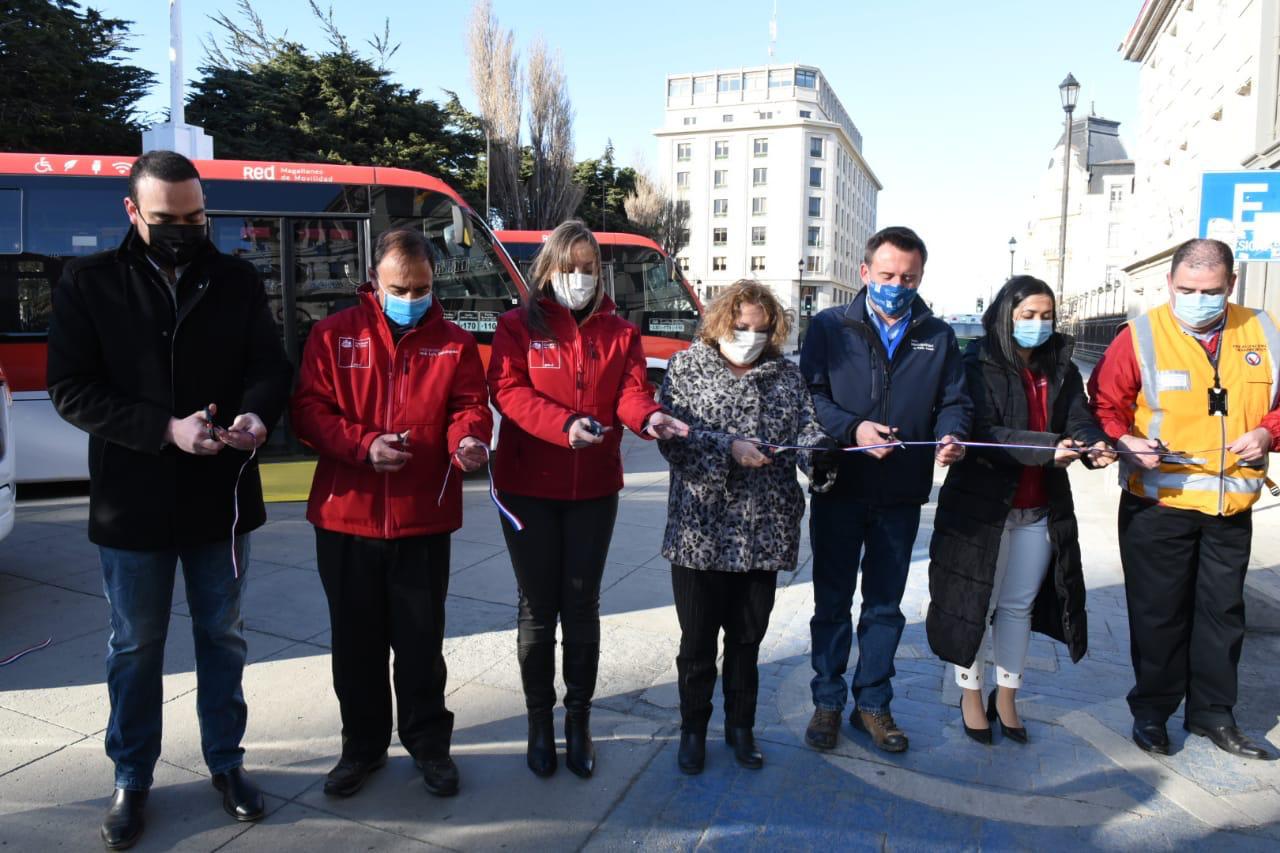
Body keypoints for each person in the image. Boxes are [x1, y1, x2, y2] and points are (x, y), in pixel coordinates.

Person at [46, 150, 293, 849]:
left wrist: (255, 417)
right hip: (133, 504)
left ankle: (227, 763)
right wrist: (164, 429)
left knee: (224, 637)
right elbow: (72, 388)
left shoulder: (236, 278)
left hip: (222, 500)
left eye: (196, 216)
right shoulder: (89, 282)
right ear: (132, 212)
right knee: (134, 645)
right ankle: (132, 776)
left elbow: (269, 367)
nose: (186, 230)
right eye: (167, 220)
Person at [291, 228, 492, 799]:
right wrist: (363, 445)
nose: (411, 296)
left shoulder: (453, 344)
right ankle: (363, 747)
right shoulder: (334, 335)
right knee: (356, 645)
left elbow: (469, 408)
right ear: (374, 281)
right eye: (400, 287)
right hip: (345, 519)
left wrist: (470, 441)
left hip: (422, 520)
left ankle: (429, 745)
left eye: (422, 287)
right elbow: (308, 412)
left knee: (421, 644)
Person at [487, 220, 689, 779]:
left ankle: (577, 720)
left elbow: (630, 393)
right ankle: (537, 721)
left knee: (581, 607)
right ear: (548, 269)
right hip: (527, 488)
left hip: (593, 490)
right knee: (537, 608)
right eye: (569, 268)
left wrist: (650, 417)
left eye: (589, 270)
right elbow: (507, 391)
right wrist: (565, 424)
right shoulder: (516, 326)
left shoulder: (619, 334)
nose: (579, 279)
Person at [1089, 238, 1280, 760]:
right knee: (1159, 617)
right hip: (1159, 507)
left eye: (1211, 291)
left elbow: (1278, 406)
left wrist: (1267, 433)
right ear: (1170, 284)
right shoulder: (1141, 336)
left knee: (1223, 615)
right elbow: (1105, 405)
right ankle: (1152, 714)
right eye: (1188, 289)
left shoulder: (1262, 329)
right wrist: (1124, 441)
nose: (1199, 299)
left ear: (1231, 286)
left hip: (1230, 507)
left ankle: (1215, 716)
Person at [800, 225, 972, 754]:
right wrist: (853, 430)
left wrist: (953, 435)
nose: (897, 285)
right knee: (831, 603)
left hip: (901, 492)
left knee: (884, 606)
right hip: (840, 486)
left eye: (909, 277)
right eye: (888, 274)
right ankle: (827, 702)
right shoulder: (830, 326)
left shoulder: (938, 334)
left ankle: (872, 703)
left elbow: (955, 401)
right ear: (865, 272)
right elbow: (811, 395)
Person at [657, 280, 837, 774]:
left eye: (760, 329)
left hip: (764, 531)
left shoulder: (786, 376)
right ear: (720, 322)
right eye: (740, 326)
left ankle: (741, 728)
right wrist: (728, 448)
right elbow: (672, 438)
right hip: (701, 531)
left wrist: (819, 452)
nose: (749, 336)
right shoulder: (687, 367)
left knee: (746, 640)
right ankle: (693, 729)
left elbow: (804, 427)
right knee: (697, 642)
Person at [926, 276, 1115, 744]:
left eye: (1046, 316)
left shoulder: (1062, 369)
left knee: (1017, 607)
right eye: (1027, 315)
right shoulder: (976, 363)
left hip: (1040, 508)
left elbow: (1079, 419)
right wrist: (1050, 447)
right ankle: (971, 694)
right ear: (1005, 314)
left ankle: (1006, 696)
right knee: (976, 604)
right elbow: (982, 434)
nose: (1037, 324)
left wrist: (1094, 445)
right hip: (983, 510)